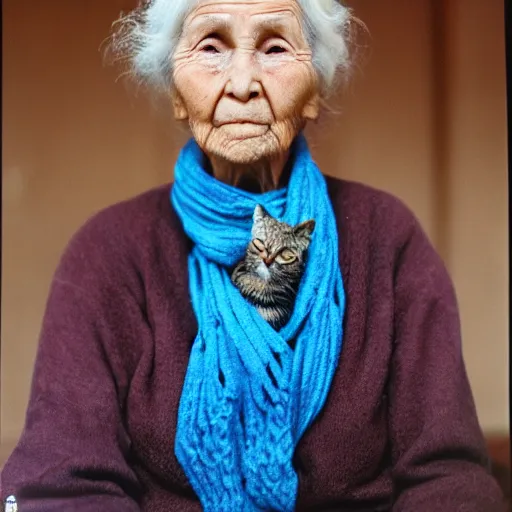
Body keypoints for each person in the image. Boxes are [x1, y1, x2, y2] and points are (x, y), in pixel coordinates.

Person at [1, 0, 505, 511]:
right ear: (177, 94)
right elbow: (61, 488)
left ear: (315, 91)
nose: (243, 83)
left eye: (275, 47)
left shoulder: (386, 239)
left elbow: (446, 479)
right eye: (212, 47)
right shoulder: (108, 254)